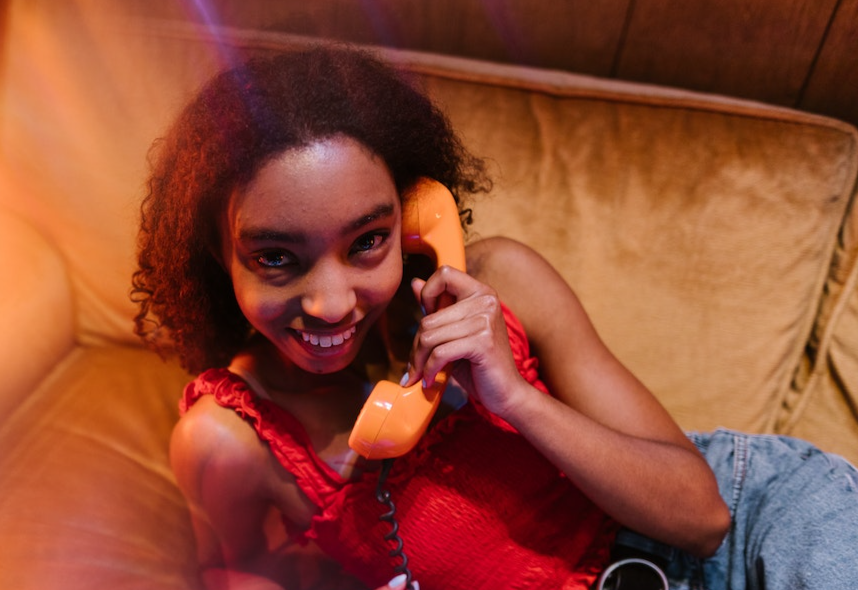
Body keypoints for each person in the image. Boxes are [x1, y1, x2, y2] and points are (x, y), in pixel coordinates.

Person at [132, 44, 858, 590]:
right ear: (216, 254)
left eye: (367, 242)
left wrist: (514, 397)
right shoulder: (227, 444)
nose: (331, 303)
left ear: (415, 215)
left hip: (757, 526)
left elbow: (704, 518)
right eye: (276, 258)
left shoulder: (502, 280)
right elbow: (243, 572)